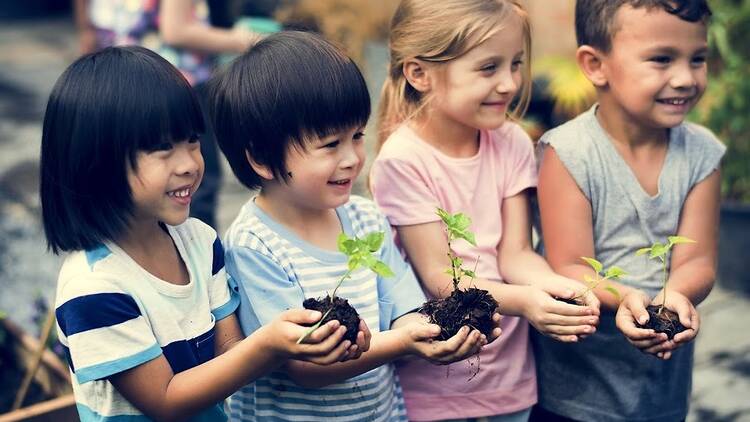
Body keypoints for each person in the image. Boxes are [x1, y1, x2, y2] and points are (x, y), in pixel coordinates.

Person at [40, 46, 352, 422]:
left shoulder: (200, 242)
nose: (189, 163)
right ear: (96, 162)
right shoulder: (95, 288)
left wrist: (303, 342)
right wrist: (269, 345)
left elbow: (229, 355)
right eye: (162, 148)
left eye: (191, 140)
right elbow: (167, 401)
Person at [209, 31, 499, 421]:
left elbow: (405, 310)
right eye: (330, 145)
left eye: (358, 136)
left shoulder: (365, 219)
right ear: (262, 159)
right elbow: (307, 366)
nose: (352, 159)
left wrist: (434, 334)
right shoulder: (254, 245)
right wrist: (404, 343)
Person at [368, 1, 601, 421]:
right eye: (488, 68)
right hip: (437, 376)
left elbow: (515, 254)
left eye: (516, 64)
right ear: (419, 74)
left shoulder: (510, 141)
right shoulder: (403, 161)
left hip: (509, 374)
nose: (510, 83)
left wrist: (557, 292)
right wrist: (528, 303)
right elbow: (442, 281)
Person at [530, 1, 724, 421]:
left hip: (661, 390)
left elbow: (698, 258)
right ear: (596, 65)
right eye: (661, 59)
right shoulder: (569, 153)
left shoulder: (702, 153)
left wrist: (677, 297)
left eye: (698, 59)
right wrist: (626, 300)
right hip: (575, 393)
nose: (686, 78)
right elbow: (568, 265)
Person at [73, 0, 260, 229]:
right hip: (176, 83)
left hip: (120, 86)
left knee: (133, 177)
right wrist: (249, 41)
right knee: (197, 184)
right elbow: (176, 31)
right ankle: (195, 257)